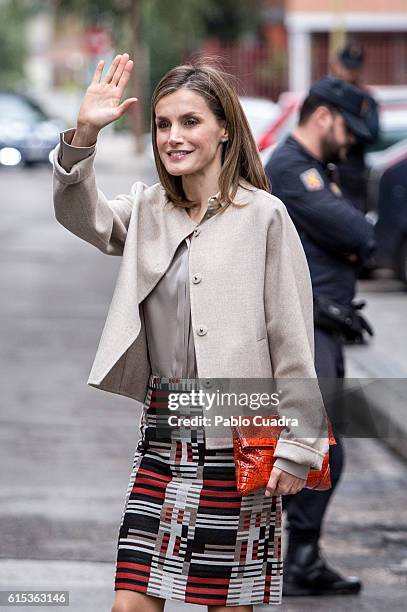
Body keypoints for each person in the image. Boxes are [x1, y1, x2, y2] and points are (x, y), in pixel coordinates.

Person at [52, 54, 329, 611]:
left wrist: (300, 446)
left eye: (189, 122)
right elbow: (84, 218)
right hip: (163, 436)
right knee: (130, 602)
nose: (172, 138)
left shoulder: (265, 217)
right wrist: (84, 134)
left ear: (225, 128)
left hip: (240, 436)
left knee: (225, 605)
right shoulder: (149, 209)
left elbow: (293, 339)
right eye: (162, 124)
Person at [265, 76, 376, 597]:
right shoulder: (290, 169)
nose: (352, 140)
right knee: (317, 448)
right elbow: (359, 235)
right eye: (348, 127)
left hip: (324, 323)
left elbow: (358, 240)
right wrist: (350, 245)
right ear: (323, 115)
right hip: (306, 325)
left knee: (319, 448)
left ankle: (294, 560)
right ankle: (285, 561)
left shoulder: (318, 170)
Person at [331, 43, 380, 211]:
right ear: (338, 66)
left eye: (354, 68)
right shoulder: (329, 94)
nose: (349, 72)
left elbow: (373, 134)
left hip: (354, 169)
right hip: (332, 166)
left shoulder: (366, 98)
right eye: (346, 67)